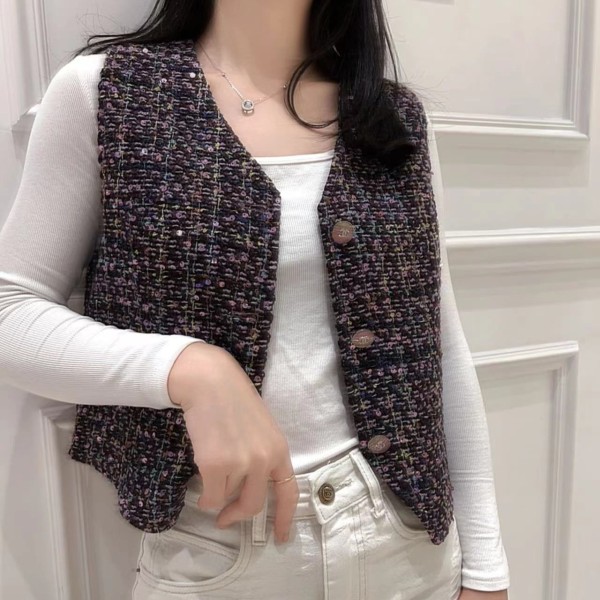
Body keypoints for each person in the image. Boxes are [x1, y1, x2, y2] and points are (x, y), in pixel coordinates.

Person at [0, 1, 511, 598]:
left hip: (411, 545)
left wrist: (485, 564)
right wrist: (190, 371)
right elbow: (12, 312)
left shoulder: (392, 116)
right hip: (218, 551)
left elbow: (439, 344)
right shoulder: (110, 91)